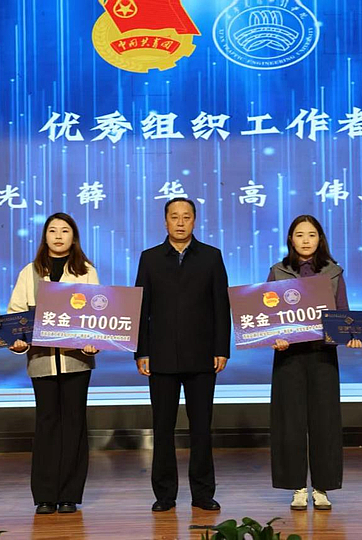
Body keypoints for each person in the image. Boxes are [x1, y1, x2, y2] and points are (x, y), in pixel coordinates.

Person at [134, 197, 231, 512]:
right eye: (174, 216)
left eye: (186, 217)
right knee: (162, 428)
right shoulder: (150, 258)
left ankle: (203, 493)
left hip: (202, 356)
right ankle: (164, 495)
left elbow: (221, 306)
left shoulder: (211, 256)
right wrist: (141, 351)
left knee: (201, 427)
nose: (180, 222)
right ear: (165, 221)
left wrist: (221, 349)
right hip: (160, 356)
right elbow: (141, 309)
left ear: (194, 221)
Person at [7, 212, 99, 515]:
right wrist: (17, 341)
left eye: (65, 231)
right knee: (46, 424)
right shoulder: (30, 272)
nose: (58, 236)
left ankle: (70, 494)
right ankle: (45, 496)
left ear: (74, 237)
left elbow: (99, 316)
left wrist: (95, 341)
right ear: (44, 236)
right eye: (52, 231)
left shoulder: (86, 271)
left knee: (74, 423)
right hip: (41, 360)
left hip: (76, 361)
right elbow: (16, 314)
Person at [268, 215, 362, 511]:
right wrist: (275, 337)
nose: (306, 240)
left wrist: (351, 335)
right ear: (290, 239)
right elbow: (268, 314)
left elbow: (343, 311)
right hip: (289, 357)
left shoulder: (333, 271)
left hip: (323, 355)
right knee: (290, 422)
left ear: (320, 239)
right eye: (299, 235)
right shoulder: (278, 271)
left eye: (311, 234)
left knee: (325, 421)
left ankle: (322, 487)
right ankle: (297, 487)